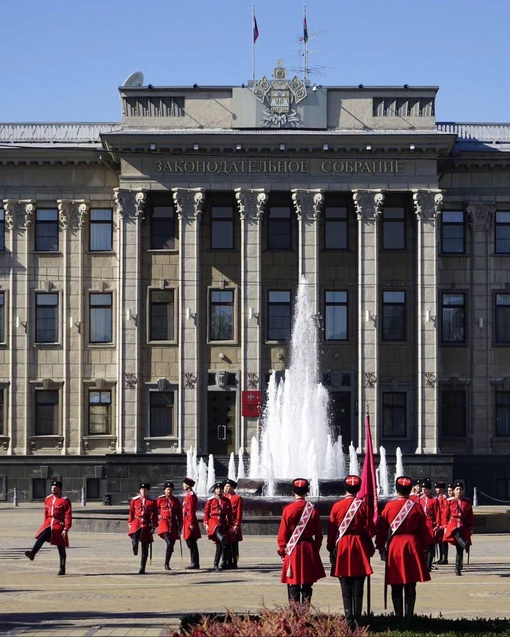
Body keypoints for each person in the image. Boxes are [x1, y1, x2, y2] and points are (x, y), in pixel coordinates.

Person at [375, 476, 433, 618]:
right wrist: (425, 548)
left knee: (396, 582)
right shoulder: (416, 507)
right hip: (413, 546)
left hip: (395, 547)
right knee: (411, 582)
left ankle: (398, 615)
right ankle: (409, 615)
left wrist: (380, 545)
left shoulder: (389, 506)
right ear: (410, 489)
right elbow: (424, 531)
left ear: (396, 489)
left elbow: (382, 530)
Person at [327, 474, 375, 622]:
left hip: (342, 546)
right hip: (359, 545)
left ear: (345, 488)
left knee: (345, 581)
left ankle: (348, 615)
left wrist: (330, 548)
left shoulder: (336, 506)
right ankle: (358, 616)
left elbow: (332, 530)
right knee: (359, 580)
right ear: (359, 488)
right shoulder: (364, 506)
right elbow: (370, 529)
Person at [277, 478, 326, 605]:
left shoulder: (288, 509)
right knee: (307, 585)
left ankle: (294, 617)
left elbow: (283, 534)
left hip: (293, 549)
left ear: (293, 491)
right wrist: (315, 549)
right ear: (307, 492)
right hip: (308, 548)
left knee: (293, 584)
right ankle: (305, 614)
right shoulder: (313, 509)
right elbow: (319, 534)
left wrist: (282, 551)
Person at [25, 480, 72, 576]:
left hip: (58, 524)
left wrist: (66, 528)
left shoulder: (65, 500)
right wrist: (44, 524)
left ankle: (62, 568)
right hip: (48, 523)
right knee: (42, 536)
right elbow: (46, 513)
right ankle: (32, 553)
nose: (53, 489)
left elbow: (68, 515)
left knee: (61, 546)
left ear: (60, 489)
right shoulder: (48, 499)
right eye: (52, 487)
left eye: (55, 487)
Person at [443, 480, 475, 576]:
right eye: (457, 489)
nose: (459, 491)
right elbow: (445, 514)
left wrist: (471, 527)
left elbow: (470, 516)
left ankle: (458, 569)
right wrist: (444, 526)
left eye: (460, 489)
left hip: (462, 524)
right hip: (452, 523)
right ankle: (465, 544)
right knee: (456, 531)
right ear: (453, 491)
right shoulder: (449, 501)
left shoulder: (466, 502)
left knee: (459, 549)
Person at [128, 482, 158, 574]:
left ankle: (142, 567)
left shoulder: (152, 501)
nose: (143, 491)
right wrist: (130, 523)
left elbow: (155, 514)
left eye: (145, 490)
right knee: (135, 536)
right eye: (142, 490)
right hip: (137, 522)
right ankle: (135, 545)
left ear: (148, 491)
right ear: (139, 491)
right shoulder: (135, 500)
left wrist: (153, 526)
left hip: (146, 523)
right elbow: (131, 512)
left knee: (145, 547)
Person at [203, 481, 233, 571]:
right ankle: (222, 538)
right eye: (217, 489)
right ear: (214, 490)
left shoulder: (226, 501)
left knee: (219, 546)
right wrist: (205, 523)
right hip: (213, 521)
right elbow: (206, 513)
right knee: (217, 529)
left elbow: (230, 513)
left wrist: (230, 525)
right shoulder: (210, 500)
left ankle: (216, 564)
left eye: (220, 489)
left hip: (222, 521)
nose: (219, 490)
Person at [156, 481, 183, 570]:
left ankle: (167, 563)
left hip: (173, 524)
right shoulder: (160, 499)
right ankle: (166, 563)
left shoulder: (175, 500)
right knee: (169, 542)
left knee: (171, 545)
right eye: (168, 490)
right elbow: (154, 510)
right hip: (164, 523)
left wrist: (180, 524)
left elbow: (179, 513)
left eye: (171, 490)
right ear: (164, 490)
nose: (169, 491)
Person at [420, 479, 440, 571]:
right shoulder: (420, 499)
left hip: (430, 524)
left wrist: (438, 524)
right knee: (423, 546)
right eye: (423, 489)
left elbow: (437, 513)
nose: (424, 491)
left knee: (431, 546)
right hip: (422, 524)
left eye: (426, 489)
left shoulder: (434, 500)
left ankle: (428, 565)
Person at [224, 478, 243, 569]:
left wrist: (237, 524)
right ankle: (227, 560)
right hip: (225, 524)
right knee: (226, 543)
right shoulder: (224, 497)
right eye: (226, 486)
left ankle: (234, 561)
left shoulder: (237, 498)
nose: (226, 488)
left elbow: (239, 512)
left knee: (234, 544)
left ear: (232, 488)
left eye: (228, 487)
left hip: (233, 523)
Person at [182, 477, 201, 569]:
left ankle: (195, 563)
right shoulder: (188, 495)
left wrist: (191, 523)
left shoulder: (191, 496)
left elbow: (191, 510)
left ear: (188, 485)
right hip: (187, 520)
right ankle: (194, 562)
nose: (183, 485)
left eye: (184, 484)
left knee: (191, 541)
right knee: (189, 541)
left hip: (190, 520)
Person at [434, 481, 449, 564]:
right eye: (436, 488)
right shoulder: (438, 497)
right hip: (439, 520)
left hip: (443, 521)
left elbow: (444, 510)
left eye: (438, 488)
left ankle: (444, 558)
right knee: (439, 540)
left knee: (444, 541)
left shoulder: (444, 497)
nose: (436, 489)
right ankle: (441, 557)